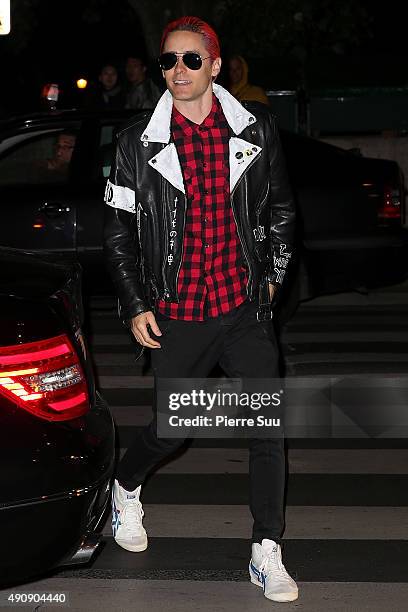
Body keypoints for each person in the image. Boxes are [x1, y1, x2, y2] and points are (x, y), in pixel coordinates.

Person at [103, 16, 297, 604]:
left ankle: (267, 549)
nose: (178, 71)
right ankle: (124, 484)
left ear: (215, 65)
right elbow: (119, 233)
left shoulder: (255, 129)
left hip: (242, 307)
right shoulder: (137, 142)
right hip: (180, 310)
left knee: (268, 427)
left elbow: (282, 211)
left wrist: (271, 284)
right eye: (168, 61)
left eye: (191, 59)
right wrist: (136, 303)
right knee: (173, 430)